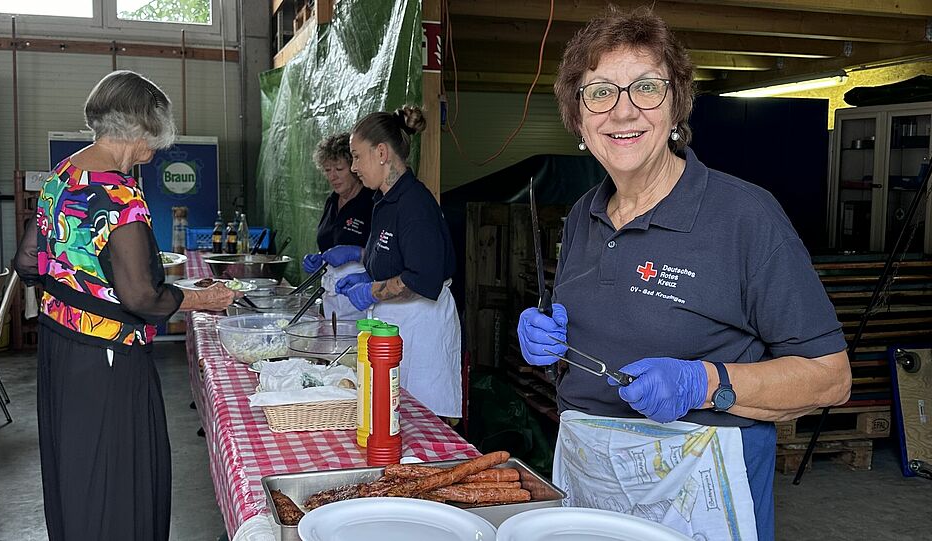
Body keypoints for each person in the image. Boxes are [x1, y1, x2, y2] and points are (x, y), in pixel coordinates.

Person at [516, 8, 851, 541]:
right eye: (599, 92)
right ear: (578, 118)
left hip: (700, 488)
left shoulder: (745, 216)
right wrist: (550, 345)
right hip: (588, 474)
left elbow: (831, 378)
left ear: (677, 107)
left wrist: (706, 382)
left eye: (646, 87)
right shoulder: (583, 213)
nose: (622, 112)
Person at [13, 70, 237, 541]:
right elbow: (141, 297)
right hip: (107, 358)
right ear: (138, 130)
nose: (152, 152)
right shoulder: (119, 194)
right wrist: (205, 298)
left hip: (59, 349)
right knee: (118, 478)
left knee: (77, 471)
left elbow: (27, 261)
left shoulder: (62, 175)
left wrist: (76, 280)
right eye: (152, 139)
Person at [316, 105, 462, 418]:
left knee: (420, 422)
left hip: (421, 328)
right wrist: (363, 262)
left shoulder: (414, 205)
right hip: (395, 326)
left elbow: (419, 279)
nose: (354, 166)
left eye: (357, 156)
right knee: (392, 418)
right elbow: (392, 252)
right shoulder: (383, 199)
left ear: (381, 152)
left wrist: (371, 291)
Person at [300, 133, 375, 320]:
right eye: (327, 170)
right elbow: (329, 240)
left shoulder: (371, 201)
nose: (333, 176)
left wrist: (356, 252)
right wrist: (319, 260)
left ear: (354, 167)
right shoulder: (332, 201)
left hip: (361, 296)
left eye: (339, 169)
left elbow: (386, 252)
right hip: (332, 295)